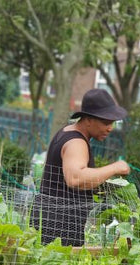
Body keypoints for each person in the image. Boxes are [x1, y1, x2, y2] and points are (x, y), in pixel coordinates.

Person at [31, 88, 130, 246]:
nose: (110, 128)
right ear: (88, 120)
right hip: (59, 227)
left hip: (53, 220)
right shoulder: (76, 142)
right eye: (105, 122)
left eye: (113, 123)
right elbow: (75, 178)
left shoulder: (66, 132)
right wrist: (115, 167)